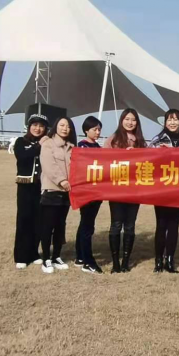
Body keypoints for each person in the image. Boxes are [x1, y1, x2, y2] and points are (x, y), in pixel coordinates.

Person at [149, 109, 179, 273]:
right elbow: (147, 161)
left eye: (176, 119)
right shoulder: (157, 140)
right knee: (161, 225)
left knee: (174, 225)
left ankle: (170, 260)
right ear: (165, 122)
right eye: (170, 119)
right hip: (161, 190)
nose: (173, 122)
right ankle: (158, 260)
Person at [103, 109, 147, 273]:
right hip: (116, 189)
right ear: (122, 120)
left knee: (130, 226)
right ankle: (115, 262)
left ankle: (126, 262)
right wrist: (122, 155)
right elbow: (104, 161)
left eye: (133, 120)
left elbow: (148, 163)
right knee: (116, 224)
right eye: (127, 119)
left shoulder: (141, 142)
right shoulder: (113, 139)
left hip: (134, 190)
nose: (130, 122)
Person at [39, 116, 77, 274]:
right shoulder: (48, 144)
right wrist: (62, 180)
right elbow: (49, 165)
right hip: (52, 190)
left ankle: (56, 256)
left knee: (60, 226)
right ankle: (46, 259)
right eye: (62, 125)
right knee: (48, 226)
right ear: (56, 127)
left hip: (66, 193)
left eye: (67, 126)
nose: (65, 128)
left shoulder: (72, 147)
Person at [13, 113, 49, 270]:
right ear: (29, 127)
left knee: (38, 221)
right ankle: (21, 256)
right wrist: (39, 145)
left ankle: (34, 253)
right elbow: (23, 156)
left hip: (41, 187)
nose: (38, 128)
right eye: (35, 125)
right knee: (24, 220)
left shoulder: (47, 143)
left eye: (41, 126)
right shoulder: (21, 142)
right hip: (25, 187)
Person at [74, 116, 104, 274]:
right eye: (95, 129)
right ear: (86, 130)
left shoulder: (98, 147)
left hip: (96, 193)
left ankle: (80, 256)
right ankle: (88, 261)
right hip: (86, 192)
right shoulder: (82, 146)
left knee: (85, 224)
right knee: (87, 226)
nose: (97, 132)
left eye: (99, 129)